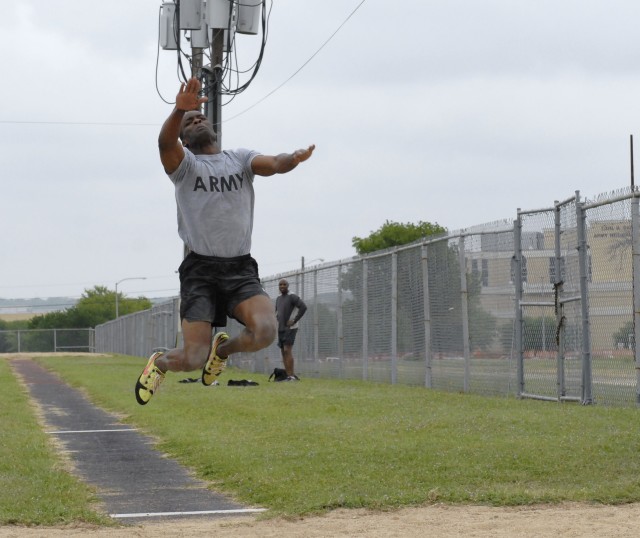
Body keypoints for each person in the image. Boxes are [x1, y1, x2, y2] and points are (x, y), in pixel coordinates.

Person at [135, 78, 315, 405]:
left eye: (201, 117)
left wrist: (293, 158)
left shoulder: (240, 158)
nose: (198, 119)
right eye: (190, 121)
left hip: (239, 267)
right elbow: (164, 144)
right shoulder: (184, 166)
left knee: (265, 331)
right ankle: (159, 364)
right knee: (191, 359)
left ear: (213, 131)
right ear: (184, 138)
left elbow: (274, 164)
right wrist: (179, 109)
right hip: (200, 270)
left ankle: (224, 351)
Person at [275, 279, 307, 381]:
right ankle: (288, 375)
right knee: (282, 352)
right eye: (280, 284)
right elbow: (277, 312)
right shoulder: (278, 298)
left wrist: (294, 320)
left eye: (284, 284)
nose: (282, 286)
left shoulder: (292, 296)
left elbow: (303, 307)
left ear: (288, 286)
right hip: (281, 328)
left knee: (287, 350)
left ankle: (292, 376)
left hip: (290, 328)